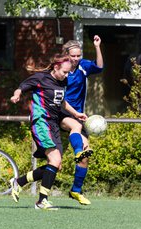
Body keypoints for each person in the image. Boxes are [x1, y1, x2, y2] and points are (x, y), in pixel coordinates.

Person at [10, 54, 87, 210]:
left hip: (53, 124)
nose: (66, 76)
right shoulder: (40, 78)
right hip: (41, 122)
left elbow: (62, 101)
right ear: (56, 67)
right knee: (55, 159)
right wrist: (16, 95)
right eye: (64, 72)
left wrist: (76, 114)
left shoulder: (62, 81)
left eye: (68, 73)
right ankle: (41, 201)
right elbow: (21, 88)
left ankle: (19, 182)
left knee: (56, 165)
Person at [60, 35, 104, 205]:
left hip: (79, 115)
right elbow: (60, 99)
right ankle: (77, 150)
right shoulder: (60, 71)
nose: (77, 59)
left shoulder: (83, 66)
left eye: (79, 55)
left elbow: (99, 67)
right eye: (73, 56)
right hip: (62, 113)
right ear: (66, 55)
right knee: (75, 128)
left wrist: (97, 47)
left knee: (85, 157)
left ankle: (75, 191)